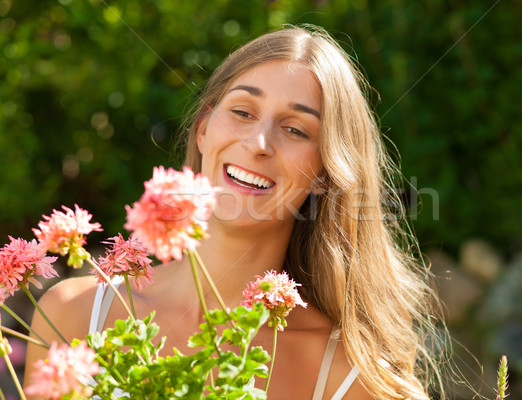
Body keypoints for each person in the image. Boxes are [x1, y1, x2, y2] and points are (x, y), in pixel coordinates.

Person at [25, 26, 443, 399]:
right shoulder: (73, 314)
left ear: (324, 175)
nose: (259, 142)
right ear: (204, 130)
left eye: (295, 129)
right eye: (242, 112)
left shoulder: (351, 378)